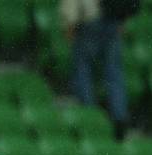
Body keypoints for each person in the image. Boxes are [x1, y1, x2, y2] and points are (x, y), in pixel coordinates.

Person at [60, 0, 139, 141]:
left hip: (90, 21)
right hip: (113, 21)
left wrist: (70, 24)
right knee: (114, 73)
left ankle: (89, 114)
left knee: (83, 69)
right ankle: (119, 117)